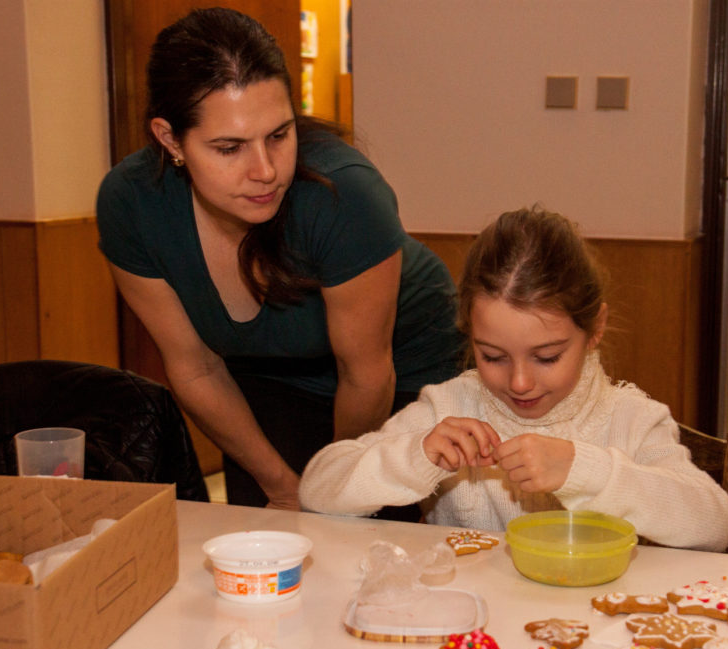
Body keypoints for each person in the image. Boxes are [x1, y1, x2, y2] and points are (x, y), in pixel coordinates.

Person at [96, 8, 461, 512]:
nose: (265, 170)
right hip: (266, 375)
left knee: (374, 524)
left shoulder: (345, 193)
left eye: (278, 135)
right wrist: (283, 486)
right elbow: (196, 368)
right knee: (265, 526)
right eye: (229, 148)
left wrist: (333, 490)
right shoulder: (131, 204)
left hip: (401, 364)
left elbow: (366, 374)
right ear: (170, 139)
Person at [299, 207, 728, 551]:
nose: (520, 382)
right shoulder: (449, 407)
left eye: (547, 357)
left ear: (595, 329)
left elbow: (714, 525)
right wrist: (414, 455)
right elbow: (317, 488)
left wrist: (585, 471)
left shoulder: (632, 419)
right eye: (493, 356)